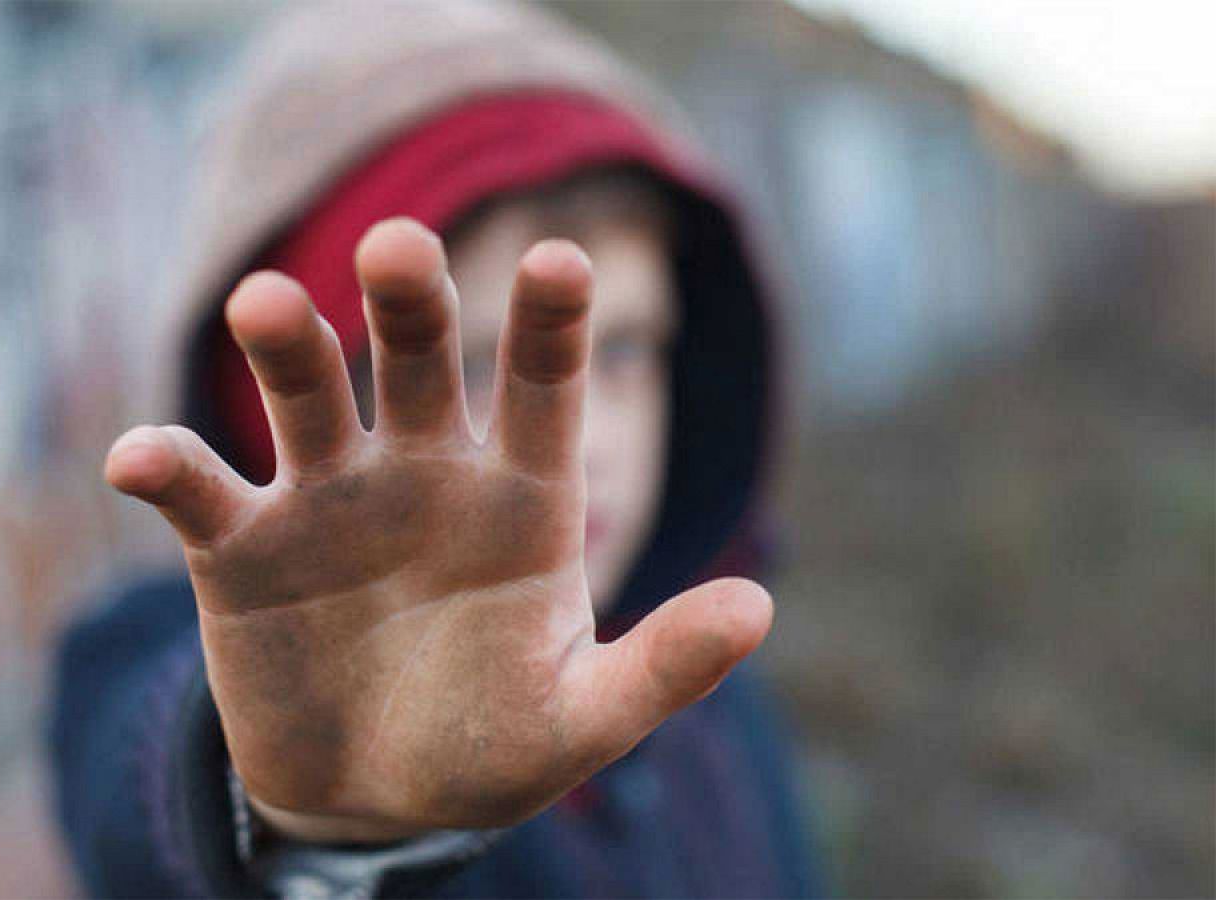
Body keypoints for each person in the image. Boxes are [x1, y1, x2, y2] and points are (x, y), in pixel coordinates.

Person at [49, 2, 819, 896]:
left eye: (623, 351)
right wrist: (305, 817)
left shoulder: (707, 687)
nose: (586, 443)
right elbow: (146, 794)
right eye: (475, 366)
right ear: (289, 403)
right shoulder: (133, 655)